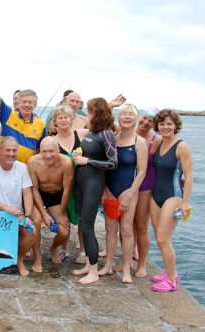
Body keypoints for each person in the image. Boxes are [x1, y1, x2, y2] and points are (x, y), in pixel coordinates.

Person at [98, 104, 147, 283]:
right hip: (110, 188)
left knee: (126, 229)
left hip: (129, 189)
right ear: (119, 117)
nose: (127, 117)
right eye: (124, 114)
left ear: (135, 119)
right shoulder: (112, 138)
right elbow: (104, 166)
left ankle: (126, 268)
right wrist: (104, 189)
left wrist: (129, 194)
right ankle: (108, 265)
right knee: (110, 229)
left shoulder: (139, 141)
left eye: (131, 115)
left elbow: (141, 172)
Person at [71, 97, 118, 284]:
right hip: (81, 181)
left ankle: (94, 272)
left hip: (93, 183)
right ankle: (89, 266)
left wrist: (88, 161)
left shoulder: (107, 133)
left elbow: (113, 163)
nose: (86, 114)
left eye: (89, 111)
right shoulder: (92, 132)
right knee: (83, 223)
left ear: (96, 113)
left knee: (88, 227)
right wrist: (79, 155)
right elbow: (89, 152)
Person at [0, 137, 36, 276]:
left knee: (31, 231)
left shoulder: (22, 168)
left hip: (15, 216)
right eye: (8, 150)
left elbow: (27, 194)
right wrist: (5, 208)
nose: (11, 154)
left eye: (14, 150)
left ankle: (19, 260)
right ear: (0, 151)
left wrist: (28, 215)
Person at [149, 109, 192, 292]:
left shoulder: (181, 146)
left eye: (169, 124)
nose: (165, 127)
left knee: (163, 238)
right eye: (162, 124)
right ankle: (169, 272)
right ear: (157, 126)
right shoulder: (158, 142)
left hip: (172, 197)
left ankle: (172, 279)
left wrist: (184, 202)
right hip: (155, 195)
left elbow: (189, 176)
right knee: (160, 240)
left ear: (176, 126)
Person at [0, 59, 46, 164]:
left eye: (30, 102)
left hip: (26, 173)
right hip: (2, 169)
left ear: (35, 105)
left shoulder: (41, 125)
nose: (27, 105)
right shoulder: (8, 115)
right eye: (24, 102)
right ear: (18, 103)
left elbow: (40, 152)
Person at [28, 137, 74, 271]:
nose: (48, 156)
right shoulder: (33, 162)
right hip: (39, 195)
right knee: (36, 222)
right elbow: (34, 189)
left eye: (51, 151)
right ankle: (38, 258)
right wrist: (43, 214)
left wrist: (60, 214)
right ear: (39, 151)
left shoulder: (67, 163)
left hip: (57, 196)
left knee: (64, 231)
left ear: (58, 150)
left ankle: (53, 248)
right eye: (44, 152)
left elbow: (67, 190)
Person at [50, 105, 87, 263]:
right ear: (55, 121)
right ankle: (62, 248)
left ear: (72, 119)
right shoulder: (52, 141)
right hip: (62, 186)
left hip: (83, 184)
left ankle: (83, 252)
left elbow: (104, 132)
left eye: (66, 117)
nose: (64, 120)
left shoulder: (82, 134)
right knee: (64, 220)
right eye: (60, 117)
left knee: (83, 219)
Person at [133, 106, 162, 277]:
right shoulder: (126, 131)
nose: (145, 122)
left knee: (142, 225)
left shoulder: (156, 140)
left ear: (154, 124)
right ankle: (129, 255)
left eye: (150, 121)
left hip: (145, 186)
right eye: (144, 118)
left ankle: (142, 264)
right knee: (126, 225)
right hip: (125, 184)